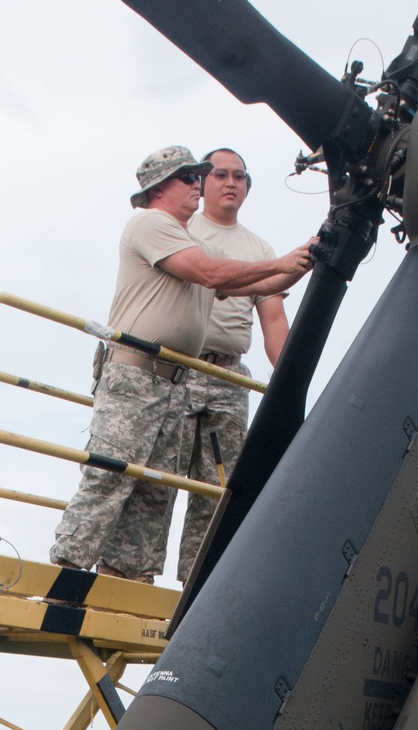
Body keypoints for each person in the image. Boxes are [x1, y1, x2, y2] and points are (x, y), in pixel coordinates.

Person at [50, 146, 312, 583]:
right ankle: (67, 572)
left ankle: (126, 579)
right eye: (189, 177)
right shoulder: (150, 224)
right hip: (134, 373)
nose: (198, 184)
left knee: (154, 488)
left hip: (171, 381)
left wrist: (310, 257)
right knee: (112, 475)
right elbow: (212, 273)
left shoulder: (193, 240)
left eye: (198, 176)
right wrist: (285, 260)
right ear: (159, 189)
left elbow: (260, 281)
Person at [178, 147, 306, 585]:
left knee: (218, 490)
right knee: (155, 476)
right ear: (202, 182)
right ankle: (130, 574)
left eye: (240, 176)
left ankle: (197, 584)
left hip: (229, 377)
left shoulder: (259, 249)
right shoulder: (182, 230)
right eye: (220, 174)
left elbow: (273, 322)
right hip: (179, 367)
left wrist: (291, 382)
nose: (230, 182)